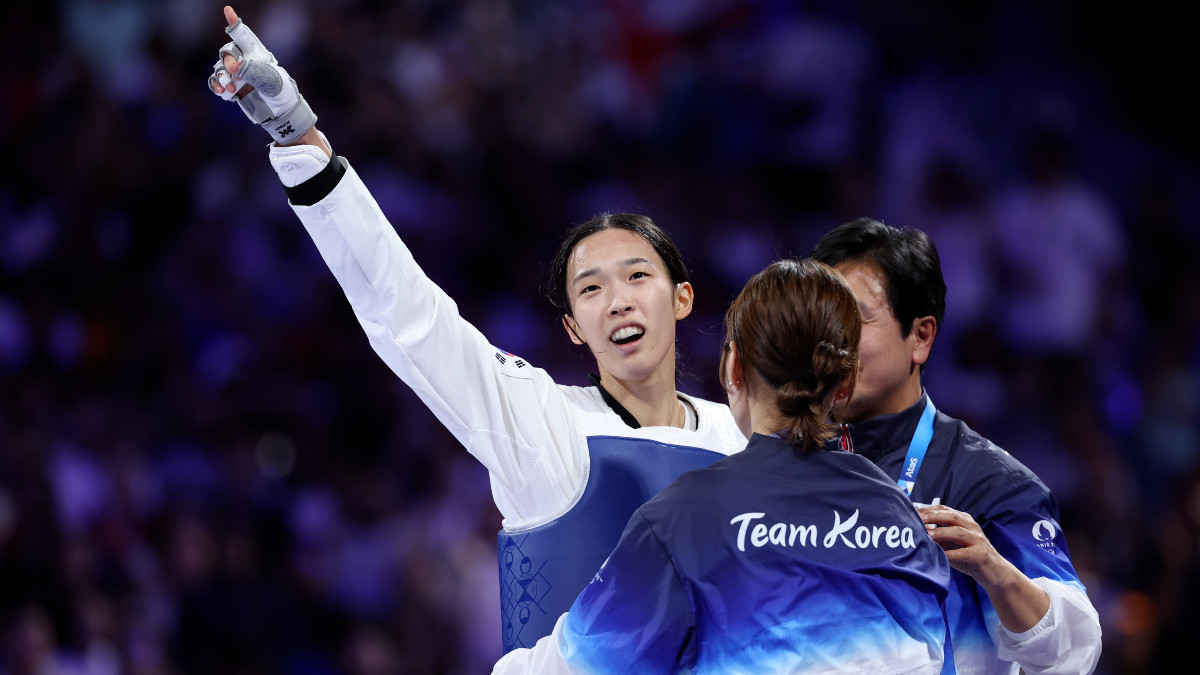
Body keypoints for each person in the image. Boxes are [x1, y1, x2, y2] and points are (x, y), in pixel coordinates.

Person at [206, 6, 745, 653]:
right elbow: (408, 315)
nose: (618, 302)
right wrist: (299, 138)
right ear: (573, 327)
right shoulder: (541, 423)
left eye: (637, 277)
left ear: (682, 298)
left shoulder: (747, 445)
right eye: (592, 288)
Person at [493, 259, 954, 674]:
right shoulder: (902, 513)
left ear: (733, 369)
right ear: (846, 381)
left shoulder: (682, 518)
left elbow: (581, 665)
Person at [810, 218, 1102, 674]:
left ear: (920, 337)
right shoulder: (783, 462)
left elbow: (1073, 650)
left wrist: (993, 569)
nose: (831, 341)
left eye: (854, 319)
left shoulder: (990, 482)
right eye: (819, 319)